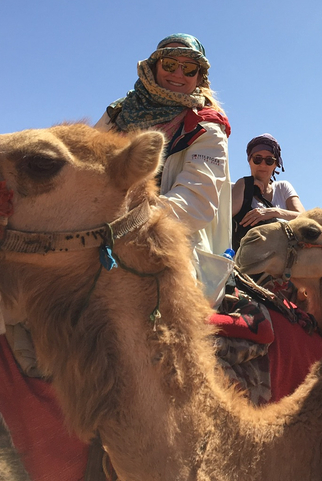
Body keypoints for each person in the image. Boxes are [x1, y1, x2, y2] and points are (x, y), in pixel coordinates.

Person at [97, 34, 233, 299]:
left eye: (189, 68)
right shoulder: (118, 113)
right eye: (170, 64)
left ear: (199, 76)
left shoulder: (205, 126)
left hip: (165, 244)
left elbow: (196, 202)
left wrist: (123, 223)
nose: (178, 74)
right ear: (154, 67)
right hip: (96, 230)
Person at [231, 134, 305, 251]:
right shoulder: (236, 187)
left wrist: (273, 212)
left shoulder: (282, 187)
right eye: (257, 159)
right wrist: (243, 183)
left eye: (269, 160)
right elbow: (227, 214)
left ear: (276, 164)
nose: (263, 164)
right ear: (249, 160)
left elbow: (305, 217)